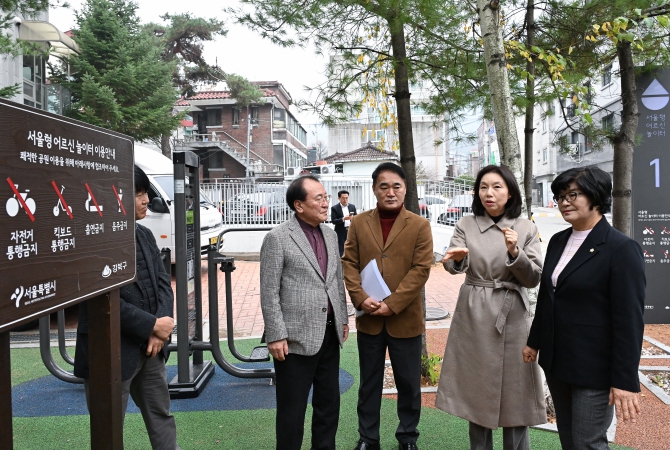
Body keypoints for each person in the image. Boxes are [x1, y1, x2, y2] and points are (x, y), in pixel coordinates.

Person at [523, 167, 645, 450]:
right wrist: (534, 341)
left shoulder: (621, 249)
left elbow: (629, 320)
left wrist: (625, 380)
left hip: (595, 368)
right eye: (560, 196)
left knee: (587, 443)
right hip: (557, 362)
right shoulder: (558, 241)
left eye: (573, 195)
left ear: (596, 196)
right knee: (569, 440)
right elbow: (548, 297)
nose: (564, 202)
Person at [435, 164, 545, 450]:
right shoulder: (466, 224)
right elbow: (452, 263)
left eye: (497, 187)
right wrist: (457, 259)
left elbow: (533, 278)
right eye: (483, 187)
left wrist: (515, 252)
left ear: (510, 193)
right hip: (475, 312)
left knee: (517, 394)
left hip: (513, 314)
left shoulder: (526, 227)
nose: (489, 193)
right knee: (478, 391)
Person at [74, 165, 178, 449]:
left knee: (161, 416)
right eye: (139, 194)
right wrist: (152, 326)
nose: (147, 200)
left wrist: (160, 328)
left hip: (151, 347)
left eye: (145, 193)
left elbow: (162, 284)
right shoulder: (92, 240)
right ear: (115, 197)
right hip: (109, 350)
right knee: (108, 427)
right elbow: (99, 301)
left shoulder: (144, 234)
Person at [342, 162, 433, 450]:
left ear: (405, 190)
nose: (390, 192)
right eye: (384, 186)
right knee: (369, 382)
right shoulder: (359, 223)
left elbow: (421, 269)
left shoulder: (419, 225)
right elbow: (349, 262)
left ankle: (407, 436)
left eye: (396, 186)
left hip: (405, 318)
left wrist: (392, 304)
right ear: (374, 189)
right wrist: (360, 297)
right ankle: (368, 438)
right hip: (369, 317)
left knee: (408, 383)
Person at [260, 174, 350, 450]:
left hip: (329, 333)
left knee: (328, 404)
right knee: (292, 410)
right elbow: (269, 291)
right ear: (298, 205)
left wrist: (343, 319)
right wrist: (276, 335)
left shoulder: (330, 234)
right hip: (294, 340)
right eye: (318, 198)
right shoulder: (278, 238)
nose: (325, 203)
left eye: (326, 197)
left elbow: (335, 280)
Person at [331, 190, 357, 256]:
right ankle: (341, 261)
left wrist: (353, 218)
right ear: (339, 198)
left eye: (346, 198)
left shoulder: (352, 207)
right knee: (341, 248)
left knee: (352, 247)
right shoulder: (335, 208)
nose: (345, 200)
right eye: (343, 198)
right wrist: (343, 219)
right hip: (341, 231)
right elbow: (333, 220)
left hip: (351, 230)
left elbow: (356, 217)